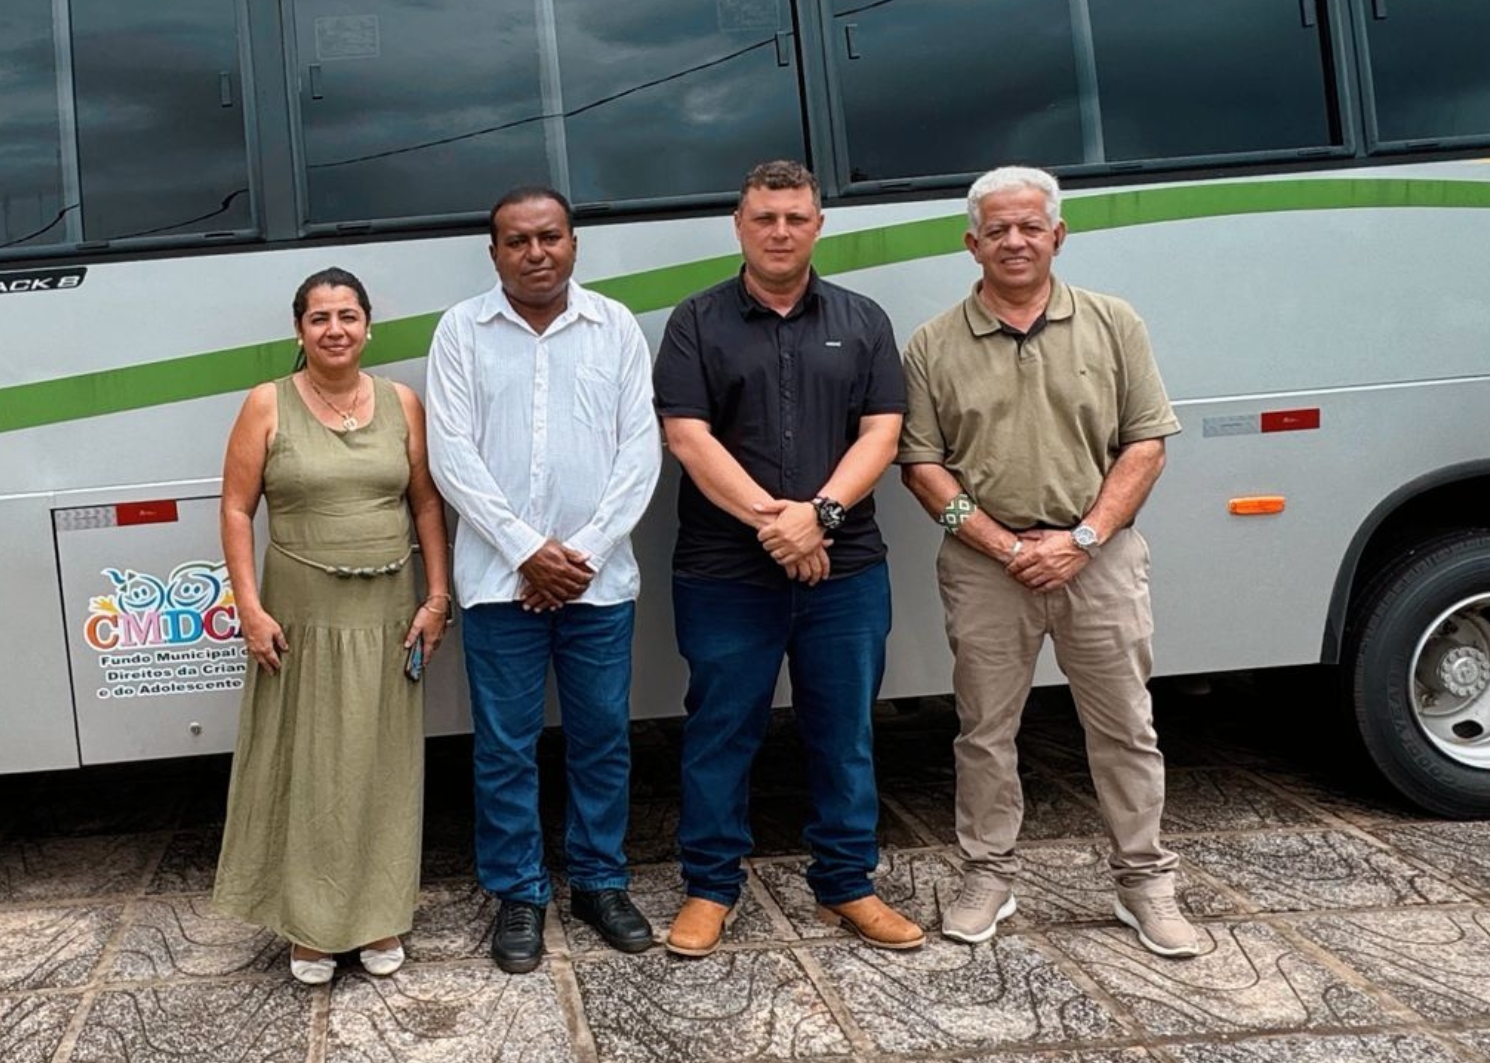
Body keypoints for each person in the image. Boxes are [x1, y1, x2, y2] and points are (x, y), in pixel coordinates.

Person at [897, 166, 1204, 958]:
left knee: (1126, 727)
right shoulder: (932, 344)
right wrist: (1002, 544)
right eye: (997, 229)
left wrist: (1084, 539)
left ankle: (1144, 883)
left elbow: (1146, 444)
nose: (1014, 240)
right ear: (971, 243)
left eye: (1030, 226)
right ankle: (988, 876)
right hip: (984, 565)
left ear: (1058, 235)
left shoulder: (1113, 323)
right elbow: (923, 467)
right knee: (983, 732)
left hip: (1096, 557)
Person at [652, 159, 922, 957]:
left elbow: (883, 432)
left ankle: (847, 884)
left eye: (795, 218)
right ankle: (710, 886)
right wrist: (781, 525)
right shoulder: (695, 322)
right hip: (725, 572)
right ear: (739, 226)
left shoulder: (863, 319)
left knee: (843, 733)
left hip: (846, 569)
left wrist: (821, 516)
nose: (780, 231)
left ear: (817, 226)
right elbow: (686, 437)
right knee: (719, 731)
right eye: (765, 218)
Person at [426, 187, 662, 974]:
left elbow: (641, 453)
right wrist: (528, 550)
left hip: (597, 582)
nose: (536, 253)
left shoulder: (615, 326)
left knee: (602, 740)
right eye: (517, 241)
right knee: (504, 747)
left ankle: (599, 880)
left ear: (573, 243)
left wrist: (578, 555)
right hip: (500, 583)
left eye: (549, 237)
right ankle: (519, 893)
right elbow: (450, 454)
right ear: (493, 253)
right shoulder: (461, 330)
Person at [211, 268, 452, 985]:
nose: (335, 329)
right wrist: (249, 607)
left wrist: (437, 597)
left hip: (386, 618)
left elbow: (428, 506)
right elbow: (233, 508)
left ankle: (379, 916)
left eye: (348, 315)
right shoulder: (265, 405)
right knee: (310, 768)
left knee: (382, 766)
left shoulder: (403, 403)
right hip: (300, 620)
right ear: (299, 330)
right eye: (320, 317)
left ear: (369, 326)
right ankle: (312, 927)